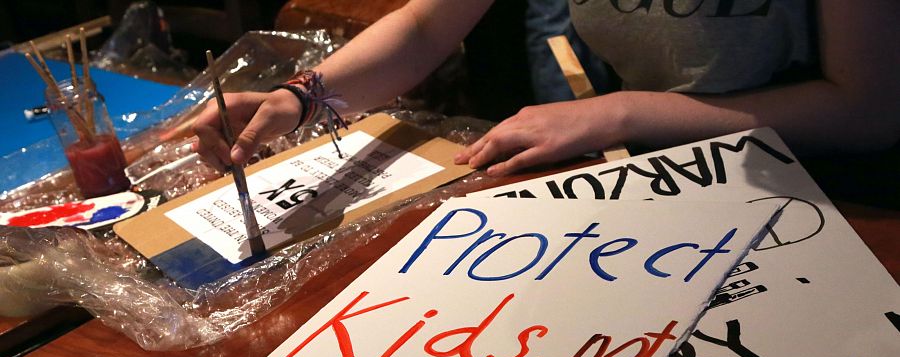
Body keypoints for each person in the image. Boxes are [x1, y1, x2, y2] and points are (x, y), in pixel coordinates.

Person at [193, 0, 900, 177]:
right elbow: (425, 28)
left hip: (832, 192)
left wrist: (617, 111)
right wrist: (304, 96)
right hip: (665, 182)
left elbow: (867, 110)